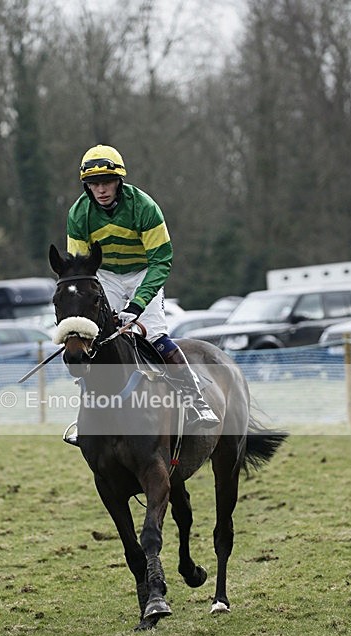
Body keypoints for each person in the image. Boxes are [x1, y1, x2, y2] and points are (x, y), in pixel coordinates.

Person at [63, 144, 219, 444]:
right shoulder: (78, 213)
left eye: (106, 182)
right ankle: (87, 417)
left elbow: (161, 260)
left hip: (143, 272)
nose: (101, 189)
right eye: (94, 184)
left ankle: (195, 400)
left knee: (155, 335)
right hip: (105, 275)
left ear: (119, 180)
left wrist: (137, 305)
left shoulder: (144, 207)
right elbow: (81, 268)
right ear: (87, 186)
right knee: (92, 341)